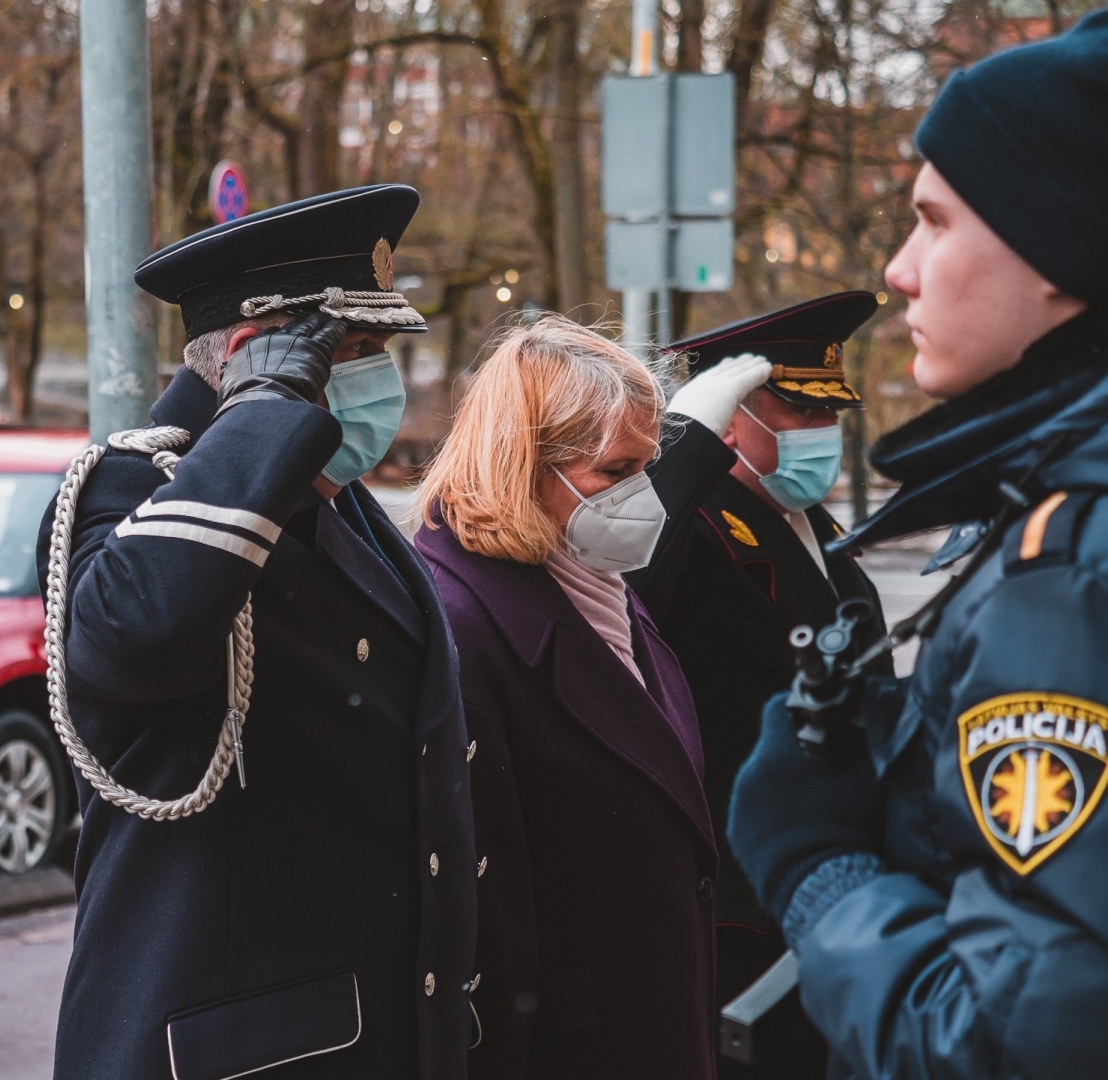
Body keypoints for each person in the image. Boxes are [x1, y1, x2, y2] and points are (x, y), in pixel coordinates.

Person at [728, 13, 1108, 1079]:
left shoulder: (1067, 564)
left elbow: (1015, 1043)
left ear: (1059, 247)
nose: (899, 272)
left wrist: (816, 868)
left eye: (935, 223)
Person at [37, 185, 477, 1079]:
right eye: (351, 351)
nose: (378, 378)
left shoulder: (344, 512)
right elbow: (135, 638)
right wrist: (265, 415)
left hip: (374, 1033)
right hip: (234, 1048)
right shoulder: (129, 492)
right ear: (249, 356)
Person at [413, 317, 717, 1079]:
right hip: (567, 1047)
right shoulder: (462, 622)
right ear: (524, 464)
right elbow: (478, 910)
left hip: (642, 1022)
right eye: (615, 471)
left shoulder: (593, 581)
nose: (643, 497)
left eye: (647, 468)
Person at [626, 292, 890, 1077]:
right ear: (731, 421)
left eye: (829, 412)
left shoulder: (825, 537)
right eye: (798, 411)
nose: (822, 433)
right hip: (741, 905)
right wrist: (680, 446)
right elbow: (624, 601)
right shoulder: (694, 530)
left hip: (842, 883)